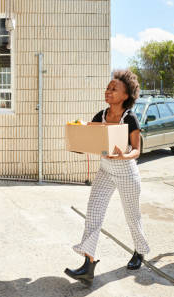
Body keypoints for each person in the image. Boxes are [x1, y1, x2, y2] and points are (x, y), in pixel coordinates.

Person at [65, 70, 150, 287]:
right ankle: (88, 265)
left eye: (114, 89)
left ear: (126, 95)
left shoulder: (130, 118)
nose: (108, 91)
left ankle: (140, 250)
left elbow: (137, 151)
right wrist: (78, 139)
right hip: (105, 170)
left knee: (132, 217)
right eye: (108, 88)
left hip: (126, 172)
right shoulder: (99, 116)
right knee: (93, 214)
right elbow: (89, 142)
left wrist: (125, 154)